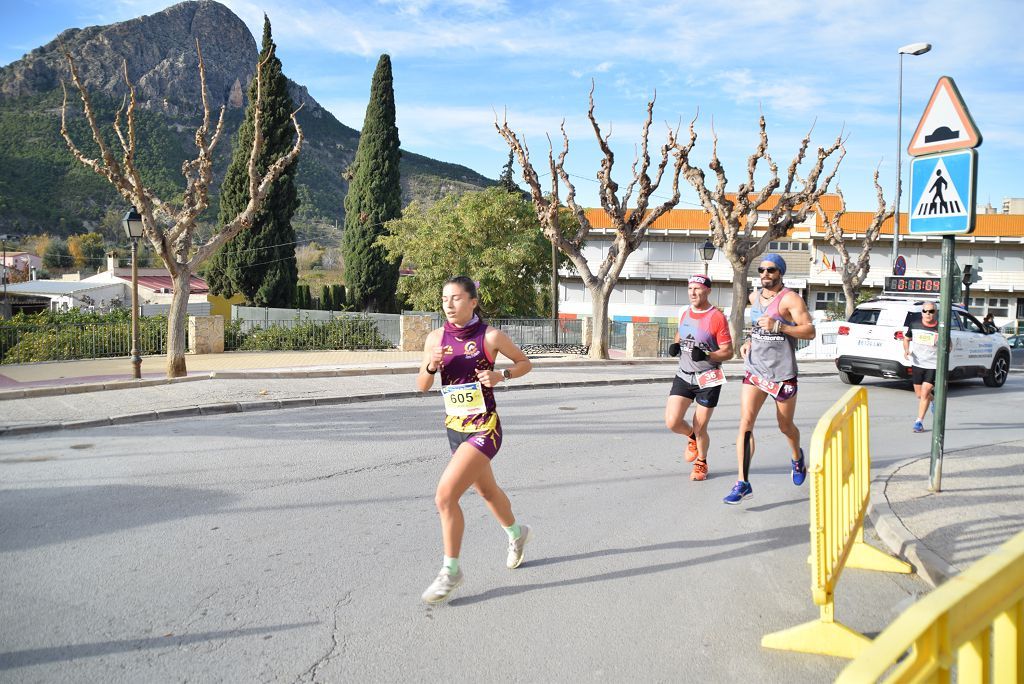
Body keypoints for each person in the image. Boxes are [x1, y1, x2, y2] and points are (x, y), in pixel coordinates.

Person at [417, 276, 534, 604]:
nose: (449, 305)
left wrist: (502, 375)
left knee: (444, 497)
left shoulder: (490, 336)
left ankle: (450, 570)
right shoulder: (435, 339)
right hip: (455, 429)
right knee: (487, 492)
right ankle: (516, 533)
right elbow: (422, 385)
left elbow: (525, 363)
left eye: (455, 298)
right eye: (444, 299)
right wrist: (431, 365)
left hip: (485, 428)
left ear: (473, 302)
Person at [724, 254, 817, 505]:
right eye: (762, 269)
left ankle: (797, 457)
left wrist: (780, 327)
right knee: (745, 423)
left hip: (783, 374)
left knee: (785, 426)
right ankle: (742, 482)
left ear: (780, 273)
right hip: (755, 371)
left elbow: (810, 331)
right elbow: (757, 328)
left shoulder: (790, 299)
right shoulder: (754, 298)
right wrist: (748, 342)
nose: (765, 274)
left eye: (771, 270)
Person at [665, 274, 733, 481]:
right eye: (690, 289)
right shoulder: (685, 312)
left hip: (709, 377)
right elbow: (681, 333)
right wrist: (676, 344)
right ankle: (691, 437)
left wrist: (707, 355)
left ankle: (701, 462)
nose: (693, 293)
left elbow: (728, 352)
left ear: (708, 291)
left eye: (697, 289)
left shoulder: (716, 317)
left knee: (701, 425)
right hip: (684, 374)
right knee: (672, 421)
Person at [903, 302, 939, 433]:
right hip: (918, 363)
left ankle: (919, 422)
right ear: (922, 312)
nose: (928, 314)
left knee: (924, 393)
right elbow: (906, 339)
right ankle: (933, 399)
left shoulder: (940, 327)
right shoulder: (915, 324)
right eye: (925, 311)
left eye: (931, 311)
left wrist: (941, 344)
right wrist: (906, 350)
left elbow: (949, 346)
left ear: (935, 312)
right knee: (919, 395)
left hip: (933, 365)